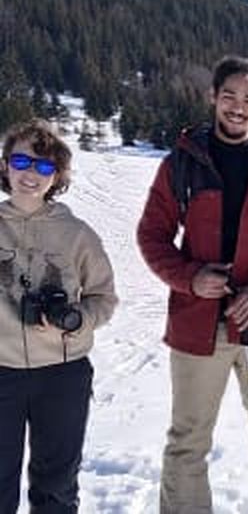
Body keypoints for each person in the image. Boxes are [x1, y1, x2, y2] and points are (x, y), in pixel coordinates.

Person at [137, 55, 248, 514]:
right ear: (213, 97)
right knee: (188, 441)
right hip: (199, 327)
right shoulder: (182, 163)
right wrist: (190, 278)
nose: (238, 107)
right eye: (229, 96)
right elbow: (153, 235)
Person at [0, 118, 118, 513]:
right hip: (1, 370)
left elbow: (104, 297)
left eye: (44, 166)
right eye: (21, 162)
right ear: (5, 166)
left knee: (57, 488)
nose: (30, 174)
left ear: (57, 176)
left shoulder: (78, 235)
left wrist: (78, 318)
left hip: (63, 374)